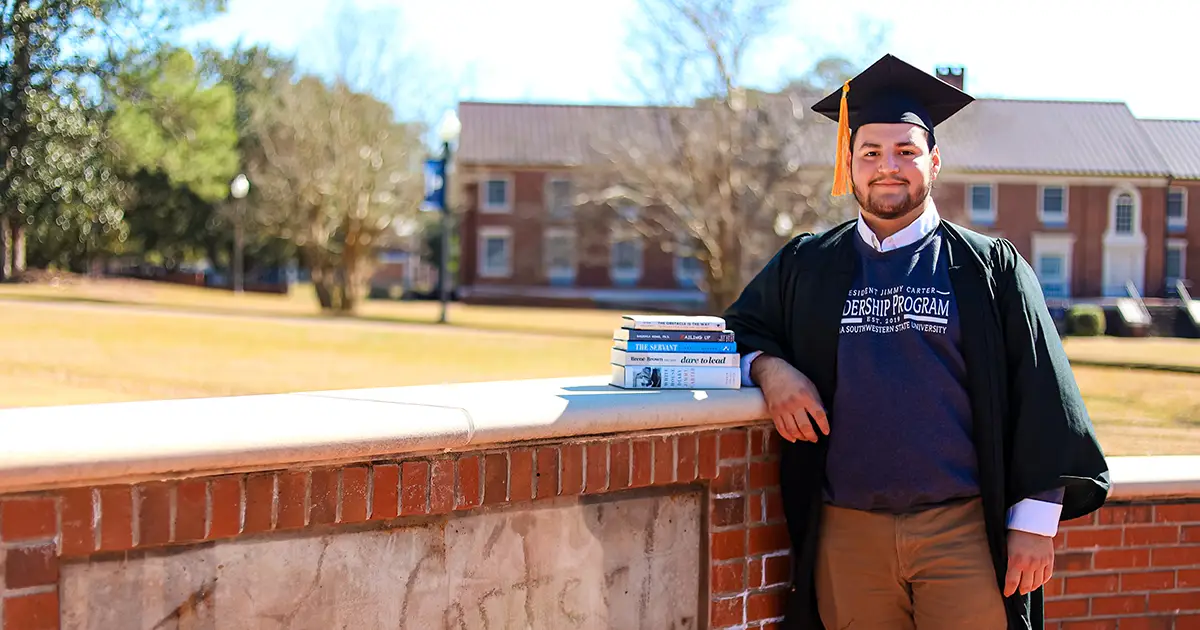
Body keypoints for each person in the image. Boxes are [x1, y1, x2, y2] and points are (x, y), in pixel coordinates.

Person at [721, 54, 1109, 630]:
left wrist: (1034, 524)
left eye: (906, 151)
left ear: (934, 161)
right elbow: (735, 329)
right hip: (848, 531)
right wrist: (770, 370)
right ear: (848, 165)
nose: (888, 167)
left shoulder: (987, 268)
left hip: (963, 531)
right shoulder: (809, 265)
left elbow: (1042, 390)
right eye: (870, 153)